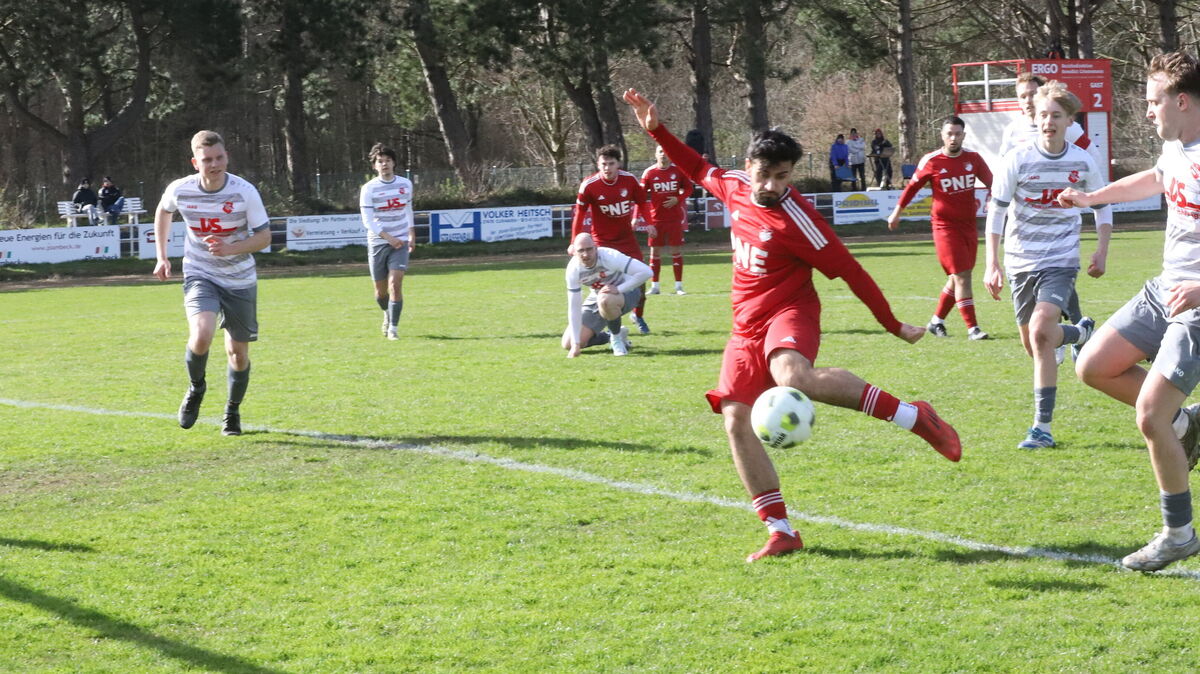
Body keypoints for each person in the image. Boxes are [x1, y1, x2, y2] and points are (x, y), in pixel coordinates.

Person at [623, 88, 962, 563]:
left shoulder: (800, 222)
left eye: (783, 176)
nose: (772, 185)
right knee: (736, 420)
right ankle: (780, 529)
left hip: (790, 312)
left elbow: (851, 271)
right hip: (744, 325)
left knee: (794, 378)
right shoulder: (736, 186)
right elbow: (698, 169)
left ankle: (915, 417)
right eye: (766, 174)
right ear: (749, 165)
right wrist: (655, 129)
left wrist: (892, 325)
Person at [1058, 50, 1200, 571]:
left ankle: (1178, 533)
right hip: (1164, 288)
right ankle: (1185, 426)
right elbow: (1153, 180)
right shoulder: (1177, 151)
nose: (1146, 111)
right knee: (1092, 365)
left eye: (1152, 100)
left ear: (1180, 100)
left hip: (1197, 304)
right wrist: (1092, 197)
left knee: (1149, 416)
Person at [983, 81, 1111, 450]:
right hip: (1020, 259)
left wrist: (1101, 251)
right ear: (1035, 119)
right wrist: (992, 263)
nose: (1048, 122)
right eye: (1043, 115)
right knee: (1035, 345)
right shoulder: (1017, 159)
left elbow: (1102, 206)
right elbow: (997, 211)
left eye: (1056, 116)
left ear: (1070, 120)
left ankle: (1042, 427)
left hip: (1061, 260)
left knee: (1041, 331)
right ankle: (1081, 334)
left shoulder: (1083, 161)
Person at [152, 130, 271, 437]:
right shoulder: (181, 189)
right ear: (195, 162)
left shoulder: (244, 192)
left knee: (237, 354)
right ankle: (196, 388)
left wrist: (229, 247)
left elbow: (264, 237)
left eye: (219, 158)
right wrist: (162, 256)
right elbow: (163, 211)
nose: (214, 164)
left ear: (226, 157)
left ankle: (231, 412)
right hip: (200, 273)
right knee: (202, 333)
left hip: (239, 278)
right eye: (207, 160)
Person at [887, 116, 993, 340]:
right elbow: (912, 188)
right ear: (942, 136)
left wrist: (994, 197)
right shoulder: (932, 160)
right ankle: (973, 328)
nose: (953, 138)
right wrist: (897, 211)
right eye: (949, 134)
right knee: (962, 276)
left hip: (969, 226)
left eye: (957, 134)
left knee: (958, 277)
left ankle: (937, 322)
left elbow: (993, 183)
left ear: (964, 135)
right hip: (944, 227)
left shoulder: (973, 159)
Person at [570, 145, 655, 334]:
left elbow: (642, 201)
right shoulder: (590, 185)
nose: (607, 168)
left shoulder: (629, 180)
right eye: (603, 164)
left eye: (611, 163)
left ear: (619, 164)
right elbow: (580, 213)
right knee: (603, 285)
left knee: (640, 282)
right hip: (601, 242)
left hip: (626, 240)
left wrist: (648, 222)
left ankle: (638, 315)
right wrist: (573, 242)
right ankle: (610, 324)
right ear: (598, 165)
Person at [562, 232, 653, 357]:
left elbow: (646, 272)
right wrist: (576, 344)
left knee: (606, 299)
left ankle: (616, 340)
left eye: (589, 249)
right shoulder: (573, 269)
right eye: (581, 250)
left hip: (628, 292)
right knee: (568, 343)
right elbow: (574, 307)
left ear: (595, 247)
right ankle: (613, 335)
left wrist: (619, 289)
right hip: (597, 297)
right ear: (574, 252)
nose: (586, 254)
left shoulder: (609, 256)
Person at [359, 143, 415, 341]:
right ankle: (386, 312)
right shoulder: (368, 189)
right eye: (380, 161)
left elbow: (408, 209)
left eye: (388, 161)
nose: (384, 164)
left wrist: (411, 234)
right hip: (379, 242)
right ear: (374, 166)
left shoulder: (405, 184)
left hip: (400, 241)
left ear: (394, 163)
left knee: (395, 284)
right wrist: (387, 238)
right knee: (380, 292)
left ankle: (393, 328)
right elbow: (367, 220)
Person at [641, 144, 694, 295]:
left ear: (670, 154)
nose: (663, 154)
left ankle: (678, 286)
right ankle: (655, 286)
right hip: (656, 220)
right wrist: (638, 218)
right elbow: (640, 197)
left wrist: (678, 198)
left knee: (676, 250)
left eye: (665, 151)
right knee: (655, 252)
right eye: (660, 152)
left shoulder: (678, 171)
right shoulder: (649, 173)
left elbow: (689, 188)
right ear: (655, 154)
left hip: (674, 219)